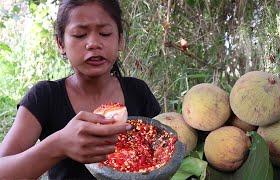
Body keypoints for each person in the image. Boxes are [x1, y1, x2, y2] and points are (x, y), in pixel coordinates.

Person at [0, 0, 161, 179]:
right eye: (80, 34)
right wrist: (58, 145)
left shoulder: (138, 92)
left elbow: (161, 156)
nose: (93, 43)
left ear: (120, 40)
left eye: (105, 33)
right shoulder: (44, 97)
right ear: (61, 43)